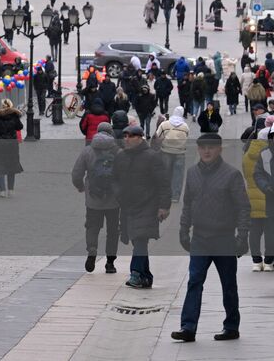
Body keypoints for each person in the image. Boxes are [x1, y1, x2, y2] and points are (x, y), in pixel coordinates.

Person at [172, 133, 250, 342]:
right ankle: (188, 327)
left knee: (228, 284)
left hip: (224, 238)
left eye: (211, 147)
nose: (207, 151)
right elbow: (187, 204)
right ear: (198, 149)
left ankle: (231, 326)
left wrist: (242, 237)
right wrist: (183, 230)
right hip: (200, 238)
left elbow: (243, 207)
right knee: (194, 281)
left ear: (219, 149)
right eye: (203, 147)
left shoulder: (231, 175)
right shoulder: (193, 173)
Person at [114, 124, 170, 288]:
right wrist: (118, 193)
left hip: (148, 205)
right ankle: (146, 276)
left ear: (139, 138)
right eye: (125, 136)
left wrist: (164, 206)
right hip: (127, 206)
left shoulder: (152, 157)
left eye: (130, 136)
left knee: (140, 239)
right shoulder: (121, 156)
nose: (126, 139)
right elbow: (114, 178)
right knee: (137, 240)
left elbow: (164, 183)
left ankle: (136, 274)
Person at [73, 121, 121, 274]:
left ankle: (92, 250)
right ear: (110, 133)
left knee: (92, 227)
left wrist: (80, 186)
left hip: (93, 199)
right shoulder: (118, 151)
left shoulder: (87, 151)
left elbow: (76, 173)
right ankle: (110, 263)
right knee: (113, 231)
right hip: (114, 200)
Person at [243, 127, 271, 271]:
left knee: (254, 231)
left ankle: (256, 261)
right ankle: (268, 261)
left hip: (252, 198)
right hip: (269, 197)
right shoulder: (268, 154)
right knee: (269, 231)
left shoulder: (248, 153)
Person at [0, 99, 24, 196]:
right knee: (11, 166)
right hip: (12, 145)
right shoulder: (14, 115)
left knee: (0, 166)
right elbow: (19, 127)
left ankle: (2, 191)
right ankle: (11, 190)